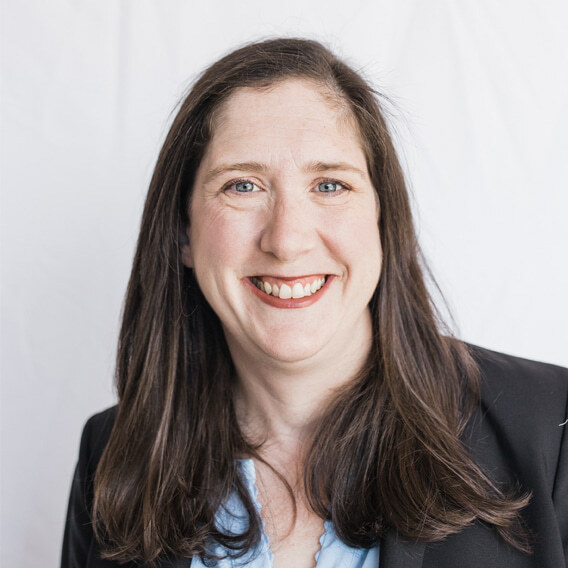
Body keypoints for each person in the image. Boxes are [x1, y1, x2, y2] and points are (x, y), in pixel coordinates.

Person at [61, 38, 568, 568]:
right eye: (242, 185)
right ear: (183, 233)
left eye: (329, 184)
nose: (287, 240)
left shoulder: (549, 428)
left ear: (382, 218)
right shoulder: (113, 454)